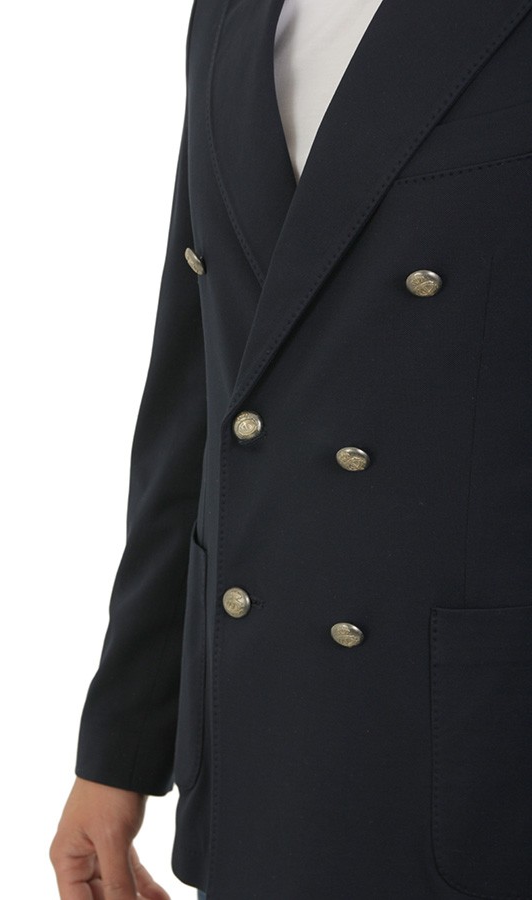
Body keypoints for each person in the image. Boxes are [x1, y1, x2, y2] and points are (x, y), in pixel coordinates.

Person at [50, 0, 532, 897]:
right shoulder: (228, 15)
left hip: (469, 757)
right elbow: (201, 399)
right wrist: (120, 747)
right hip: (256, 746)